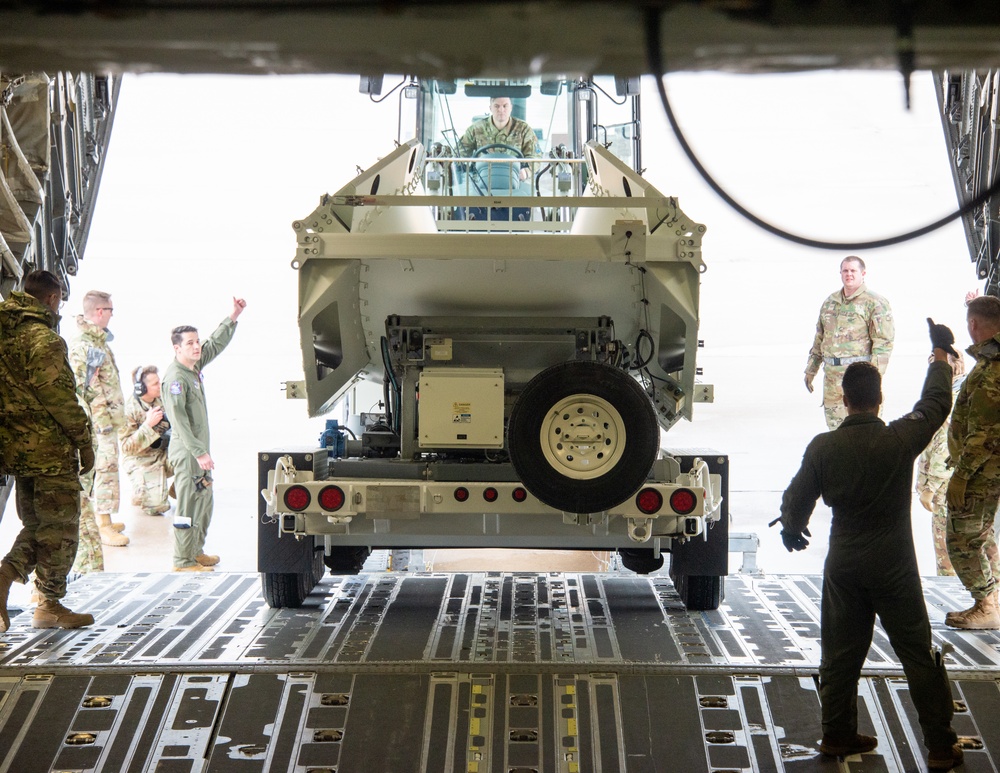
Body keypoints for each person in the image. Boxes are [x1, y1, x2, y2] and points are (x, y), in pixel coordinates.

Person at [778, 320, 963, 771]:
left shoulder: (823, 447)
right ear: (879, 399)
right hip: (894, 566)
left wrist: (792, 527)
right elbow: (936, 405)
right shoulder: (898, 439)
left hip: (844, 563)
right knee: (917, 654)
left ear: (844, 399)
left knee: (840, 656)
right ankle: (940, 745)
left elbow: (795, 497)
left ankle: (837, 734)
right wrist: (940, 357)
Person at [0, 270, 96, 631]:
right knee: (60, 529)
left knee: (39, 525)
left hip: (16, 451)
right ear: (53, 299)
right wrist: (83, 442)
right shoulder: (44, 341)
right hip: (50, 451)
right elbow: (60, 400)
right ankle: (48, 604)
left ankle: (14, 581)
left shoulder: (4, 337)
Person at [161, 297, 246, 572]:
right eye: (190, 343)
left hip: (198, 453)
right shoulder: (176, 379)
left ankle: (196, 551)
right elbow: (179, 420)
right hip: (188, 454)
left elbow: (214, 344)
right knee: (186, 506)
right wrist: (199, 452)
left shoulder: (193, 366)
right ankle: (182, 560)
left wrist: (232, 316)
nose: (196, 346)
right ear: (177, 348)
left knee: (204, 503)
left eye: (196, 341)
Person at [944, 294, 1000, 630]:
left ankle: (986, 604)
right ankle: (992, 600)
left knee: (962, 539)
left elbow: (983, 434)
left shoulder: (991, 368)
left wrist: (961, 477)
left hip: (983, 469)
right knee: (981, 534)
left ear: (973, 325)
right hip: (990, 467)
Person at [804, 256, 894, 430]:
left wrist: (874, 378)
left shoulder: (875, 303)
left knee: (865, 433)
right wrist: (811, 369)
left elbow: (883, 344)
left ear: (863, 273)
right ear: (840, 273)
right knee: (836, 435)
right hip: (832, 382)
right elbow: (820, 339)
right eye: (845, 271)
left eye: (853, 271)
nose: (849, 274)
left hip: (859, 380)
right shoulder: (830, 303)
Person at [68, 290, 128, 548]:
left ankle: (106, 517)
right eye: (110, 310)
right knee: (104, 471)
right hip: (99, 424)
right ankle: (103, 524)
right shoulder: (87, 345)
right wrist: (103, 424)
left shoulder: (97, 341)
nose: (112, 315)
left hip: (107, 421)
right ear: (100, 312)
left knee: (108, 470)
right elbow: (88, 389)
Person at [916, 352, 966, 576]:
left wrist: (929, 487)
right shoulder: (959, 393)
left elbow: (943, 447)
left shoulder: (950, 399)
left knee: (947, 555)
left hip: (946, 487)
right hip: (954, 483)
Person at [458, 96, 539, 221]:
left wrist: (526, 171)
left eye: (505, 105)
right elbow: (460, 153)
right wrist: (466, 166)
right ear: (490, 108)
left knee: (533, 202)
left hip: (516, 184)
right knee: (461, 197)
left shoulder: (524, 129)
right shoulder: (476, 129)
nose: (501, 110)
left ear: (511, 108)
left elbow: (535, 156)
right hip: (480, 184)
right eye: (496, 106)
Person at [120, 365, 172, 516]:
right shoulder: (128, 410)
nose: (159, 385)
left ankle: (176, 488)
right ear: (141, 388)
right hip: (141, 460)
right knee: (157, 508)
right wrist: (147, 425)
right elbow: (126, 447)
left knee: (191, 457)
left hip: (163, 452)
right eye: (155, 384)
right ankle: (141, 489)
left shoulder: (162, 398)